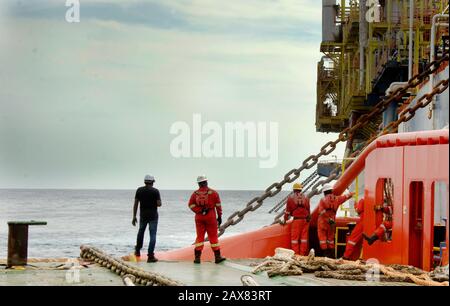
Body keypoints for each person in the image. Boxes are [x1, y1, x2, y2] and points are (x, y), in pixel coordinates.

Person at [188, 175, 226, 264]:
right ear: (206, 182)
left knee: (200, 237)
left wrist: (199, 210)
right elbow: (218, 206)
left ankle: (197, 258)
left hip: (199, 217)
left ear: (199, 184)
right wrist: (219, 217)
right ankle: (217, 257)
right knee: (213, 237)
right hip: (210, 217)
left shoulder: (195, 194)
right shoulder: (213, 193)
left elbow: (190, 205)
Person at [317, 184, 354, 258]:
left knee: (322, 238)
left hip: (323, 222)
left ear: (324, 192)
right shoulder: (337, 199)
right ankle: (332, 255)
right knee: (330, 239)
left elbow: (320, 211)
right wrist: (351, 192)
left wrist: (327, 218)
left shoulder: (323, 200)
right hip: (332, 222)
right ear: (331, 190)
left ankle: (325, 255)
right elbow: (346, 196)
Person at [132, 175, 162, 262]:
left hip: (143, 216)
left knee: (141, 232)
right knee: (152, 235)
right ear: (152, 182)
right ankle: (150, 256)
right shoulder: (155, 191)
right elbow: (159, 204)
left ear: (145, 181)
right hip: (153, 216)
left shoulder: (139, 190)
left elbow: (136, 204)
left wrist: (134, 216)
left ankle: (137, 251)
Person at [282, 183, 311, 256]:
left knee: (294, 239)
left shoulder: (290, 198)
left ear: (294, 189)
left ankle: (296, 254)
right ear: (301, 189)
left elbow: (287, 211)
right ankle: (303, 254)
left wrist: (285, 220)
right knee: (304, 239)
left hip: (297, 221)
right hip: (305, 221)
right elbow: (308, 210)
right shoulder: (306, 197)